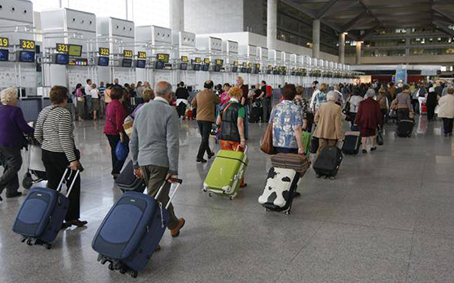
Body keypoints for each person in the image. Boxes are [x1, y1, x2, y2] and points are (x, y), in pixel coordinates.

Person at [130, 81, 185, 242]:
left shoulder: (141, 110)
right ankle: (148, 240)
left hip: (144, 161)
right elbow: (172, 142)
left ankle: (174, 224)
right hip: (160, 162)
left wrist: (135, 163)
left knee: (160, 196)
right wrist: (173, 169)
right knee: (154, 202)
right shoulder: (169, 111)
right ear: (169, 95)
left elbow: (133, 140)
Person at [34, 86, 86, 228]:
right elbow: (64, 138)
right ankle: (71, 217)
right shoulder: (64, 113)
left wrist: (47, 144)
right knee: (73, 185)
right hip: (61, 155)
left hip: (47, 153)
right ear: (64, 98)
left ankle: (50, 217)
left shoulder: (44, 111)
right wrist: (72, 160)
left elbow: (37, 134)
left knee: (53, 185)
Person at [0, 87, 34, 200]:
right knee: (15, 164)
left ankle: (11, 190)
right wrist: (34, 130)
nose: (17, 99)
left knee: (9, 165)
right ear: (12, 98)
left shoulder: (1, 109)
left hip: (1, 142)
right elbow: (23, 127)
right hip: (10, 142)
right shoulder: (15, 110)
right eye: (16, 97)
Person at [216, 87, 247, 187]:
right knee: (238, 161)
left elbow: (218, 122)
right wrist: (242, 139)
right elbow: (240, 124)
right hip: (235, 138)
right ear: (239, 95)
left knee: (226, 160)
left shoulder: (222, 106)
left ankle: (226, 180)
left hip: (224, 137)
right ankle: (239, 183)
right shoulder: (240, 108)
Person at [269, 84, 304, 155]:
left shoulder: (275, 107)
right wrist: (300, 147)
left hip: (277, 142)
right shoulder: (296, 109)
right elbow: (297, 128)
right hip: (291, 144)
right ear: (294, 94)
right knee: (290, 163)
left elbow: (271, 124)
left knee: (279, 164)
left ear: (282, 94)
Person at [192, 80, 220, 163]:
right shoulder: (212, 94)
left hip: (199, 118)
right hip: (207, 119)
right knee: (205, 138)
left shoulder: (198, 94)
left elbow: (193, 103)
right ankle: (199, 156)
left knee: (204, 137)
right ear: (211, 87)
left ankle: (209, 153)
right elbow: (219, 101)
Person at [103, 86, 127, 179]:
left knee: (114, 151)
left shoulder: (110, 104)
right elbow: (119, 120)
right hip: (115, 131)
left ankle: (116, 171)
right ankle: (116, 170)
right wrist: (121, 133)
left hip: (108, 130)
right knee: (123, 151)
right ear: (121, 95)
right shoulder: (118, 105)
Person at [313, 91, 344, 155]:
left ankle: (319, 162)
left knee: (321, 149)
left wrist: (320, 125)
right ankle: (328, 163)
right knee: (330, 150)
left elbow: (316, 118)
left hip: (321, 131)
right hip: (332, 133)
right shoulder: (337, 108)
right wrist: (339, 136)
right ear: (336, 98)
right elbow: (337, 124)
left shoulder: (322, 106)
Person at [355, 89, 383, 153]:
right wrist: (379, 122)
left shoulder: (362, 103)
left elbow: (359, 113)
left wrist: (356, 121)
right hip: (373, 120)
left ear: (367, 95)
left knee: (364, 134)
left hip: (363, 120)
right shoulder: (376, 103)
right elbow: (378, 113)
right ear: (373, 95)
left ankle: (364, 148)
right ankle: (372, 146)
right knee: (372, 133)